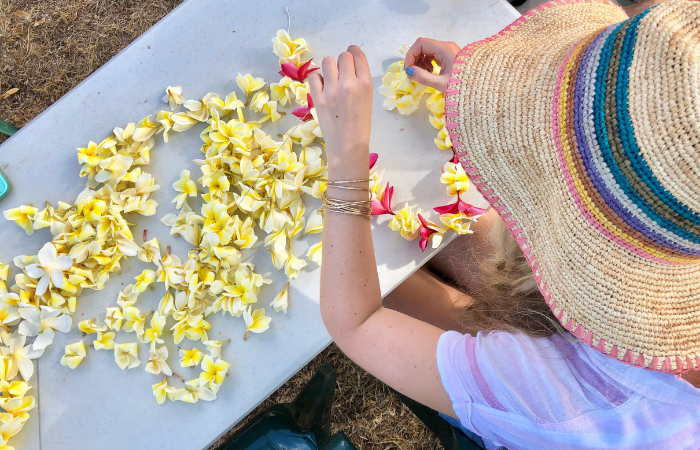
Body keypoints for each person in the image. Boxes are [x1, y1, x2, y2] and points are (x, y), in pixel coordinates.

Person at [308, 0, 700, 448]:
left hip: (553, 399)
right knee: (437, 225)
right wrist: (490, 89)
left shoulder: (563, 403)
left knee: (381, 273)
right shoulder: (681, 224)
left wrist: (346, 161)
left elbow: (358, 322)